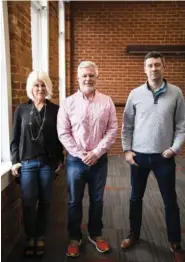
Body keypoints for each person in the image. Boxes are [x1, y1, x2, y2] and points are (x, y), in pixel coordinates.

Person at [121, 51, 185, 262]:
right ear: (144, 68)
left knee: (170, 201)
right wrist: (127, 150)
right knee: (135, 198)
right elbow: (127, 125)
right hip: (138, 157)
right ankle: (134, 234)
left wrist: (174, 148)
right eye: (150, 65)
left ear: (164, 66)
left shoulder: (176, 93)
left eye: (157, 64)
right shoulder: (135, 94)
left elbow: (181, 125)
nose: (154, 68)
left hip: (164, 157)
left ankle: (175, 241)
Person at [57, 61, 117, 257]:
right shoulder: (68, 102)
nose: (88, 78)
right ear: (78, 78)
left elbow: (112, 129)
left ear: (97, 77)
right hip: (76, 160)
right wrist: (81, 154)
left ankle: (95, 234)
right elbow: (63, 133)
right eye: (84, 75)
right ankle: (75, 237)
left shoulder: (107, 101)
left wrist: (96, 152)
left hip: (99, 161)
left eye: (91, 75)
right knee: (74, 200)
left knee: (97, 200)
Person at [10, 70, 64, 257]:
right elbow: (14, 139)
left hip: (47, 164)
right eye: (36, 85)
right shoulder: (21, 110)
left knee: (46, 201)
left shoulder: (56, 110)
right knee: (28, 202)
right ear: (30, 88)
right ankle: (30, 236)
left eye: (43, 85)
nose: (40, 88)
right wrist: (15, 161)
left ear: (47, 87)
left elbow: (60, 138)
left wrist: (59, 160)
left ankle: (39, 236)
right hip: (27, 164)